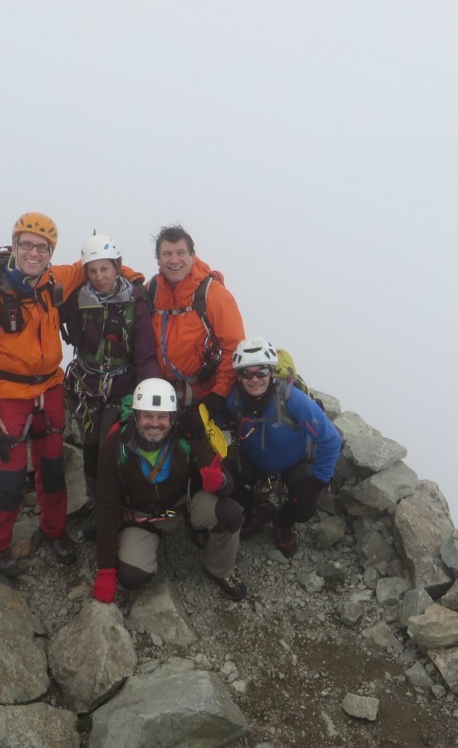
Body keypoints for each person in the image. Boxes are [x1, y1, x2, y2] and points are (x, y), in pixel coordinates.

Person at [0, 212, 141, 577]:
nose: (34, 252)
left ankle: (56, 533)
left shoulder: (55, 278)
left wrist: (135, 280)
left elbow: (92, 265)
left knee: (53, 470)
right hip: (8, 396)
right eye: (26, 244)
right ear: (13, 246)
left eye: (42, 247)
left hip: (50, 389)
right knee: (9, 478)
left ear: (50, 252)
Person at [91, 378, 247, 603]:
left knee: (230, 512)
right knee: (132, 576)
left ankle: (220, 569)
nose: (155, 423)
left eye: (162, 416)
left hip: (182, 506)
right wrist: (105, 570)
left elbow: (226, 480)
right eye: (147, 416)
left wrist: (220, 481)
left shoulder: (187, 437)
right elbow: (107, 506)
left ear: (172, 417)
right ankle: (162, 537)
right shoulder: (117, 445)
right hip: (143, 516)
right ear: (136, 415)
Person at [61, 234, 161, 538]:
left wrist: (151, 391)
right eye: (92, 270)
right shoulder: (77, 298)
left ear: (117, 267)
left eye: (104, 269)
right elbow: (41, 316)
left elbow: (144, 351)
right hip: (87, 384)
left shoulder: (135, 300)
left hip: (121, 386)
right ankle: (97, 505)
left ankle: (115, 504)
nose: (99, 277)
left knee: (110, 448)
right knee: (91, 448)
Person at [225, 337, 342, 558]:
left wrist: (319, 480)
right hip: (253, 459)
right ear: (238, 376)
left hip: (294, 462)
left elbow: (331, 439)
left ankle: (283, 521)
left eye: (261, 372)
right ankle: (258, 509)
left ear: (271, 372)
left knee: (306, 506)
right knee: (227, 482)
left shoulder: (293, 400)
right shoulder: (235, 400)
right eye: (246, 373)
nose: (254, 379)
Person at [148, 225, 246, 420]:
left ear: (192, 256)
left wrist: (219, 393)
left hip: (205, 395)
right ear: (158, 259)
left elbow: (234, 347)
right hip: (165, 395)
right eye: (167, 254)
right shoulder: (152, 290)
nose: (174, 260)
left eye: (181, 253)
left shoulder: (213, 294)